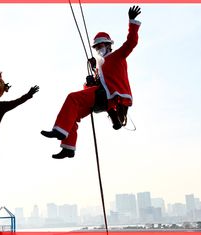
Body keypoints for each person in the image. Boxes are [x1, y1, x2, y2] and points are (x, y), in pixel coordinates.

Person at [41, 6, 141, 159]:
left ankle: (59, 130)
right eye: (96, 47)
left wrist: (132, 22)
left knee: (72, 98)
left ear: (108, 45)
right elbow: (90, 89)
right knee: (73, 114)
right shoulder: (99, 66)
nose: (98, 48)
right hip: (101, 99)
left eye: (101, 45)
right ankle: (68, 147)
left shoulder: (117, 56)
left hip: (107, 97)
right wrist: (89, 82)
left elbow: (131, 42)